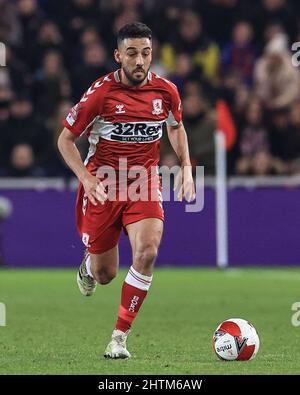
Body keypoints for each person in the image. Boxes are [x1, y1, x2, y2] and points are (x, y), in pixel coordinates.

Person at [57, 22, 195, 359]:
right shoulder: (101, 94)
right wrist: (87, 180)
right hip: (103, 184)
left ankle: (119, 337)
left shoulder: (166, 92)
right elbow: (65, 140)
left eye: (145, 53)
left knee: (148, 251)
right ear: (119, 55)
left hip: (144, 181)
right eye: (131, 53)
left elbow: (176, 128)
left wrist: (187, 165)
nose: (139, 60)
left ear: (152, 55)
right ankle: (89, 266)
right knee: (105, 275)